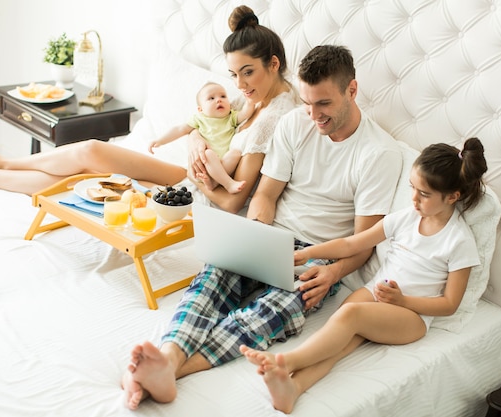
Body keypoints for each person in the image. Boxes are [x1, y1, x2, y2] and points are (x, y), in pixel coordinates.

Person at [121, 43, 403, 410]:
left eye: (324, 104)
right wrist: (254, 235)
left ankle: (171, 370)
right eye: (307, 103)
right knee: (210, 281)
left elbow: (364, 242)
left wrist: (334, 273)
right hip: (270, 235)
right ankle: (169, 357)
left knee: (272, 312)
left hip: (320, 255)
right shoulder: (293, 124)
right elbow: (266, 196)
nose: (314, 115)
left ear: (352, 90)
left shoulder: (379, 153)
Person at [240, 138, 488, 414]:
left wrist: (403, 301)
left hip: (412, 315)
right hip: (376, 292)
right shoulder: (406, 217)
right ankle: (293, 388)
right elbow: (352, 244)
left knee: (350, 316)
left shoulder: (458, 241)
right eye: (412, 189)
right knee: (340, 335)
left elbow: (449, 304)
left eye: (425, 194)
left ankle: (286, 362)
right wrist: (305, 254)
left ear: (452, 196)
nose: (414, 199)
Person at [0, 8, 294, 215]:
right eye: (234, 75)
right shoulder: (252, 97)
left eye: (247, 72)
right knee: (89, 167)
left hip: (193, 188)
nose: (239, 84)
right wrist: (195, 140)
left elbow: (234, 202)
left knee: (91, 161)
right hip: (183, 169)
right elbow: (206, 123)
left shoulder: (274, 118)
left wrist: (198, 174)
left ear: (273, 63)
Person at [148, 81, 256, 193]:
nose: (219, 100)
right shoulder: (200, 119)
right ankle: (228, 184)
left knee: (235, 153)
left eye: (223, 96)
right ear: (200, 109)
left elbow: (245, 113)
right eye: (211, 98)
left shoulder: (231, 117)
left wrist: (250, 101)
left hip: (224, 166)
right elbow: (180, 129)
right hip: (204, 166)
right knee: (208, 153)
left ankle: (213, 183)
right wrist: (160, 140)